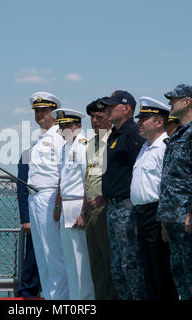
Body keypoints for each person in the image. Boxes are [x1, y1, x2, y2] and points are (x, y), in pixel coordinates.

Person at [156, 84, 192, 300]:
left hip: (188, 218)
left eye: (174, 100)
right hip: (172, 217)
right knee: (179, 274)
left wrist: (191, 212)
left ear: (187, 102)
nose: (169, 104)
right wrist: (165, 219)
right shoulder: (177, 135)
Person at [100, 90, 146, 300]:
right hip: (114, 207)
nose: (107, 109)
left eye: (112, 105)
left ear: (127, 109)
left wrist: (137, 213)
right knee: (117, 265)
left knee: (131, 264)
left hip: (127, 208)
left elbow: (139, 169)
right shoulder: (115, 133)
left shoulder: (132, 133)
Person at [131, 96, 178, 300]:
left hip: (157, 214)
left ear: (160, 122)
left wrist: (164, 220)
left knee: (162, 272)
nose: (139, 123)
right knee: (148, 271)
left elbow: (168, 186)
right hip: (142, 215)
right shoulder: (144, 148)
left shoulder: (165, 147)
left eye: (144, 119)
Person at [26, 92, 69, 300]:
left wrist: (59, 204)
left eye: (44, 110)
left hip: (50, 197)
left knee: (54, 255)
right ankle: (51, 297)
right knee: (42, 255)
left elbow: (64, 171)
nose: (39, 114)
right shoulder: (40, 138)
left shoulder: (60, 136)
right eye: (37, 111)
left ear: (54, 112)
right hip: (35, 197)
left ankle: (60, 299)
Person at [52, 108, 95, 300]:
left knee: (82, 262)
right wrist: (58, 206)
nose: (63, 130)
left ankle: (85, 300)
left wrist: (84, 212)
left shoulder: (84, 146)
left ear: (77, 125)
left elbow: (87, 180)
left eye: (67, 126)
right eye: (61, 126)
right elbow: (63, 179)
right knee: (70, 260)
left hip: (78, 205)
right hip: (66, 207)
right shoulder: (65, 148)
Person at [84, 98, 118, 300]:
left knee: (110, 263)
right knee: (95, 265)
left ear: (109, 118)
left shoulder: (114, 141)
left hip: (106, 209)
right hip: (90, 210)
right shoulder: (90, 144)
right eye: (92, 117)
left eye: (99, 116)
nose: (95, 121)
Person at [15, 149, 41, 298]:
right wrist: (25, 219)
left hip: (59, 215)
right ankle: (28, 293)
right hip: (35, 215)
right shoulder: (28, 154)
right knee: (32, 257)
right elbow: (22, 188)